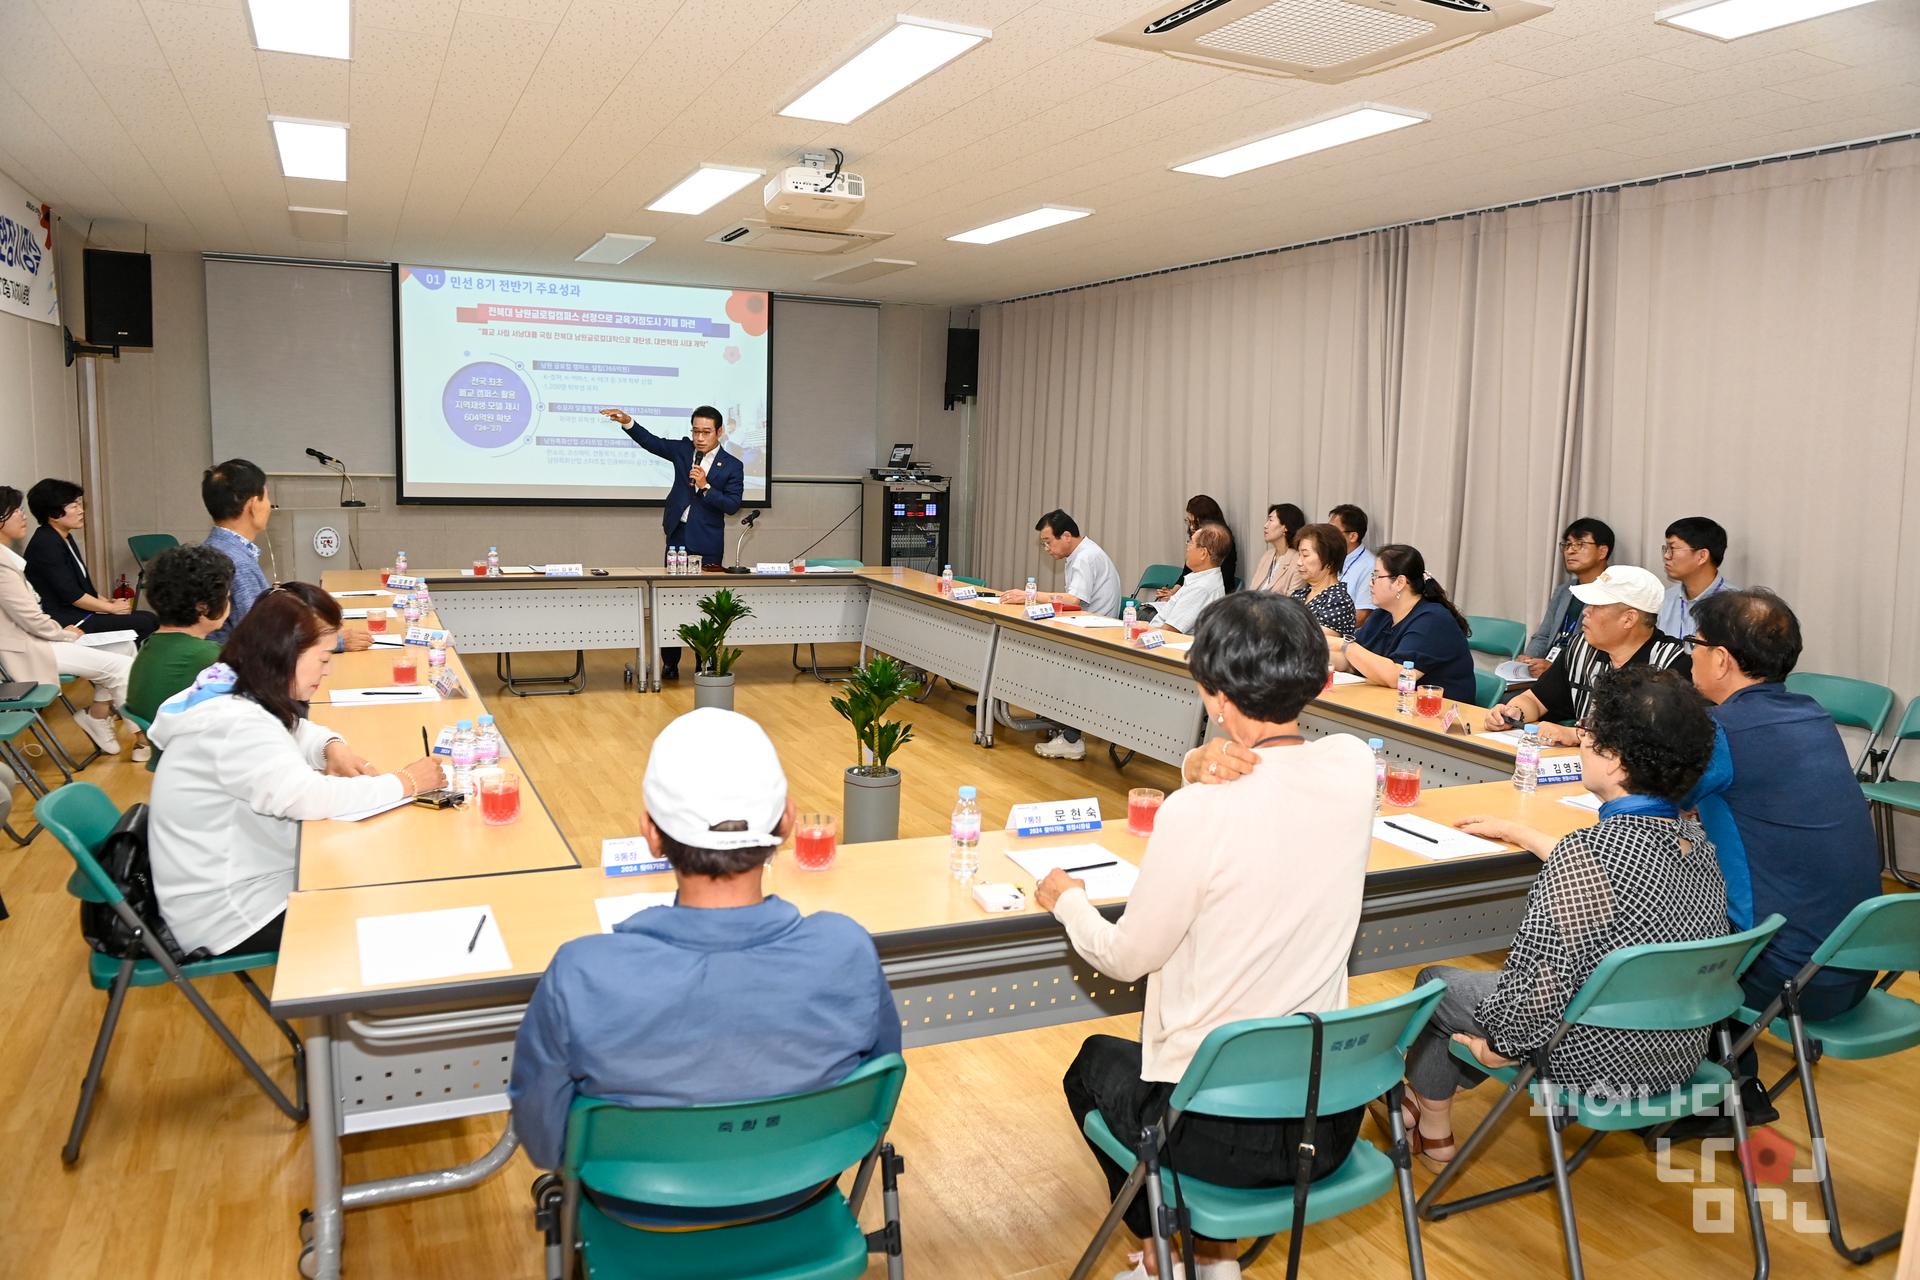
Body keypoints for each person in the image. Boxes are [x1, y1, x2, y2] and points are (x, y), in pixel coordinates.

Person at [1038, 593, 1373, 1279]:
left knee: (1090, 1068)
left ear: (1212, 694)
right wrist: (1198, 765)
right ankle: (1212, 1260)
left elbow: (1127, 957)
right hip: (1328, 1120)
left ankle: (1164, 1254)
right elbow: (1283, 773)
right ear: (1319, 677)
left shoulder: (1198, 814)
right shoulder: (1353, 767)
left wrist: (1068, 901)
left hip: (1212, 1131)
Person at [509, 708, 900, 1220]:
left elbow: (543, 1139)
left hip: (635, 1210)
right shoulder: (847, 949)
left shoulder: (582, 975)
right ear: (786, 823)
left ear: (650, 832)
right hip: (799, 1193)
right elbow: (875, 1087)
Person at [1390, 668, 1727, 1169]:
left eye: (1590, 731)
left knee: (1436, 984)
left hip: (1591, 1060)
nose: (1582, 737)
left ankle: (1433, 1123)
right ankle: (1433, 1121)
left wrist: (1501, 1048)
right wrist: (1523, 834)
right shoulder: (1697, 845)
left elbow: (1538, 986)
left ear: (1614, 760)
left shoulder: (1588, 854)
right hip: (1674, 1056)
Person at [1674, 589, 1882, 1135]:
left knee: (1649, 912)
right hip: (1856, 962)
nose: (1689, 656)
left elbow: (1648, 801)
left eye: (1694, 645)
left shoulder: (1725, 732)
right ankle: (1733, 1081)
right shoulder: (1814, 717)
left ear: (1720, 659)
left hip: (1789, 975)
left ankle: (1705, 1090)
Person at [147, 588, 442, 956]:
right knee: (387, 907)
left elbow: (287, 727)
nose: (327, 669)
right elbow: (311, 798)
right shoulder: (234, 725)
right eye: (321, 659)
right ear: (287, 652)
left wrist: (328, 746)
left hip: (244, 872)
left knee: (372, 867)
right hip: (231, 912)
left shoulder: (228, 682)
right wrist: (406, 782)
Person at [599, 405, 744, 679]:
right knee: (670, 602)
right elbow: (652, 442)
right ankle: (670, 663)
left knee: (707, 605)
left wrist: (707, 487)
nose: (700, 437)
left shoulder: (733, 466)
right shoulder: (683, 451)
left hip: (708, 542)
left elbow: (732, 505)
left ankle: (706, 662)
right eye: (696, 431)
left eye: (706, 432)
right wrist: (629, 422)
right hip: (677, 538)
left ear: (719, 432)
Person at [0, 485, 134, 758]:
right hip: (28, 648)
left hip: (41, 638)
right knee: (121, 665)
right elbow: (31, 620)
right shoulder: (2, 566)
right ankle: (147, 740)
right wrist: (64, 633)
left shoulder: (9, 560)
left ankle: (96, 717)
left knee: (125, 647)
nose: (23, 517)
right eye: (15, 512)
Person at [1488, 565, 1689, 745]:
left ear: (1628, 619)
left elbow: (1654, 737)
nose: (1586, 612)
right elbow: (1536, 699)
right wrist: (1514, 712)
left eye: (1597, 606)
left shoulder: (1672, 663)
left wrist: (1577, 735)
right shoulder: (1581, 648)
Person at [200, 458, 371, 653]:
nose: (270, 506)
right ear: (253, 505)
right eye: (267, 497)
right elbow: (260, 638)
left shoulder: (218, 549)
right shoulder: (235, 562)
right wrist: (334, 642)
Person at [1001, 510, 1123, 760]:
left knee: (1055, 662)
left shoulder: (1085, 557)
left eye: (1048, 541)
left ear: (1066, 536)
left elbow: (1076, 599)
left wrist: (1030, 596)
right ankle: (1050, 719)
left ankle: (1071, 738)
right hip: (1085, 626)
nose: (1046, 548)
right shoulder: (1081, 553)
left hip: (1095, 633)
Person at [1328, 544, 1476, 704]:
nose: (1370, 583)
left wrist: (1345, 644)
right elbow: (1353, 662)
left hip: (1438, 714)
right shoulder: (1382, 615)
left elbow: (1398, 676)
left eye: (1376, 577)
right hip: (1395, 706)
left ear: (1399, 582)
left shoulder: (1432, 620)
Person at [22, 478, 158, 641]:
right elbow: (72, 595)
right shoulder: (46, 544)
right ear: (54, 514)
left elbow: (82, 588)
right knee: (145, 622)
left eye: (79, 505)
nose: (81, 511)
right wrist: (109, 608)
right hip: (63, 619)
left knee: (149, 618)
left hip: (77, 612)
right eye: (74, 506)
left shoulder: (64, 537)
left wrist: (109, 602)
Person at [125, 543, 233, 730]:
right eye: (227, 596)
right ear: (203, 606)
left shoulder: (149, 644)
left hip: (165, 753)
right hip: (194, 754)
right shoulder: (205, 655)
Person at [1522, 517, 1614, 677]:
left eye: (1580, 544)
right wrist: (1529, 659)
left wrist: (1555, 667)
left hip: (1581, 676)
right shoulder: (1564, 590)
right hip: (1547, 671)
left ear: (1602, 551)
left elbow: (1603, 649)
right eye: (1568, 544)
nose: (1570, 551)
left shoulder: (1613, 592)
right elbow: (1543, 635)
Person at [1658, 516, 1735, 640]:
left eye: (1672, 548)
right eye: (1665, 549)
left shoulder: (1736, 606)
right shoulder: (1663, 600)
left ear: (1702, 556)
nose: (1666, 556)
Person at [1150, 522, 1230, 635]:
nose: (1187, 547)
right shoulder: (1201, 578)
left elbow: (1168, 633)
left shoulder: (1201, 589)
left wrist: (1141, 630)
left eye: (1191, 542)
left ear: (1203, 553)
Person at [1288, 522, 1357, 639]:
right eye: (1299, 555)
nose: (1299, 562)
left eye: (1305, 555)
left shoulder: (1339, 601)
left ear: (1329, 560)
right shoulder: (1299, 595)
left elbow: (1313, 643)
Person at [1328, 504, 1376, 626]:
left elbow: (1361, 616)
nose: (1326, 536)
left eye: (1333, 531)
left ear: (1353, 536)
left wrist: (1324, 625)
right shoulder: (1330, 557)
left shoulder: (1370, 565)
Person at [1249, 502, 1307, 596]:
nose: (1265, 525)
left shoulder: (1298, 561)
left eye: (1271, 520)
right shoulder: (1267, 555)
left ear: (1285, 527)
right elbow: (1252, 589)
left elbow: (1292, 602)